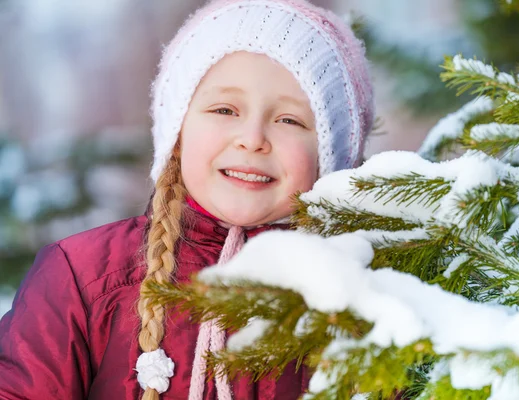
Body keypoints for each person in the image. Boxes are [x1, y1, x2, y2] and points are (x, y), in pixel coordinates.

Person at [0, 0, 374, 398]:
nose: (252, 138)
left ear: (329, 155)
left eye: (289, 120)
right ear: (177, 132)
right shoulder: (84, 279)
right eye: (225, 109)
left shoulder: (367, 295)